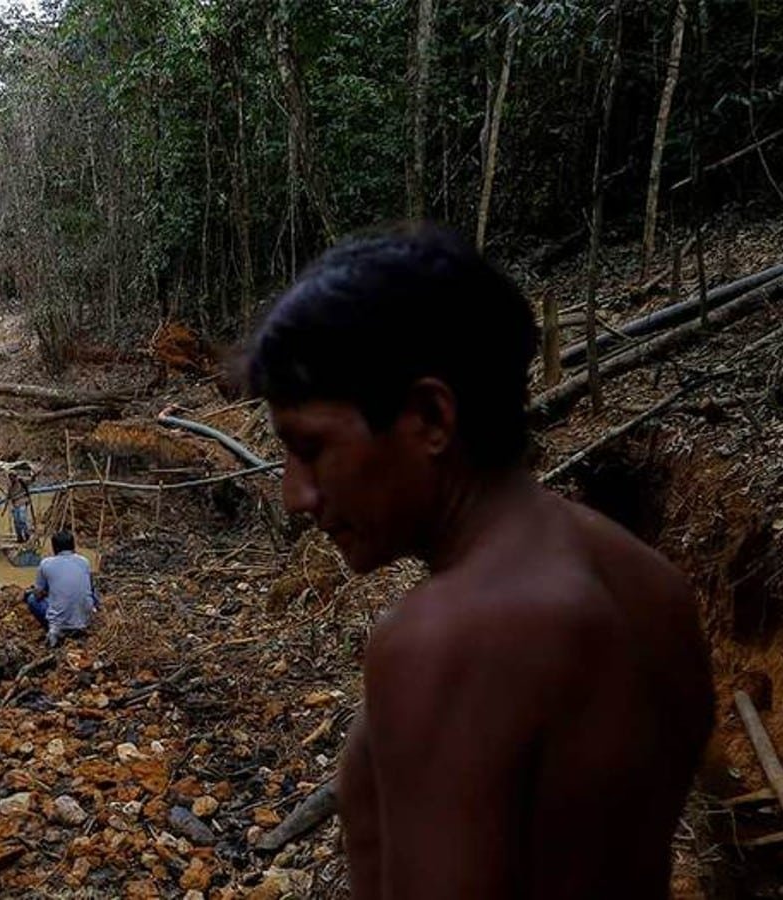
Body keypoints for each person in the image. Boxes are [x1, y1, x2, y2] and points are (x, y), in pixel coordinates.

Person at [242, 224, 712, 899]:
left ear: (432, 417)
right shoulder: (654, 588)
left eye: (311, 448)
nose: (295, 495)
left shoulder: (446, 641)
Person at [24, 530, 100, 648]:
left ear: (54, 548)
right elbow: (89, 587)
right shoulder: (84, 561)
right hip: (85, 620)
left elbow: (38, 595)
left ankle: (53, 628)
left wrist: (41, 591)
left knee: (32, 599)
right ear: (73, 546)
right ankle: (89, 615)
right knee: (92, 591)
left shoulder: (46, 564)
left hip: (60, 623)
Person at [6, 472, 34, 543]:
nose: (11, 479)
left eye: (13, 477)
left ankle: (26, 534)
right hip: (15, 505)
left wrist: (34, 475)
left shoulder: (22, 482)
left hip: (22, 503)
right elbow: (9, 496)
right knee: (16, 521)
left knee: (22, 519)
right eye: (10, 477)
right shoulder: (11, 486)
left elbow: (31, 480)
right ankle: (19, 536)